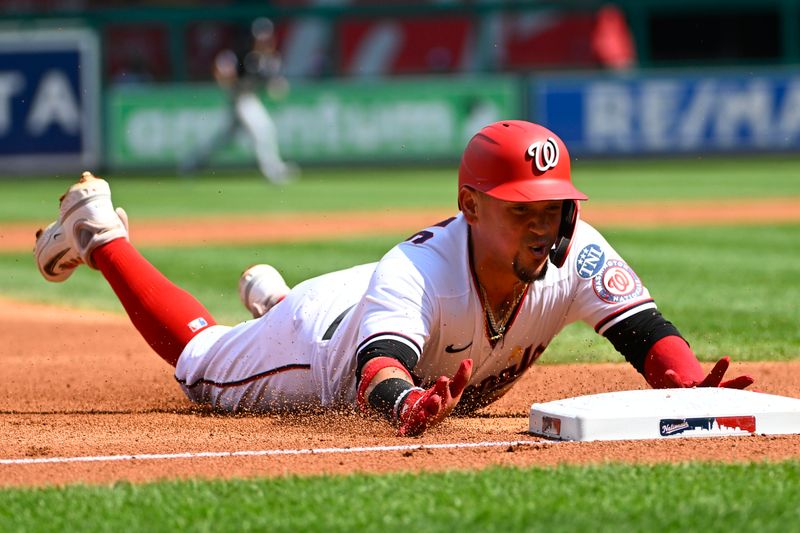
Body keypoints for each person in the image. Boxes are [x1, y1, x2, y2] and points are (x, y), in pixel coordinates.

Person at [34, 120, 753, 437]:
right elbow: (375, 369)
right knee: (198, 364)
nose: (545, 223)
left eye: (557, 205)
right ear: (469, 206)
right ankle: (100, 232)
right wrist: (405, 402)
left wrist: (689, 382)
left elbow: (648, 335)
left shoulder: (580, 254)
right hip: (320, 345)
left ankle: (274, 299)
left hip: (377, 302)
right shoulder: (419, 271)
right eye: (523, 209)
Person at [180, 17, 297, 184]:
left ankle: (192, 163)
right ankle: (273, 171)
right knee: (263, 129)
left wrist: (276, 85)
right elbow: (222, 66)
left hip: (249, 98)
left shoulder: (270, 59)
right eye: (260, 38)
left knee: (224, 138)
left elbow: (274, 83)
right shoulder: (244, 55)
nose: (264, 41)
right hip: (240, 99)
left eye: (266, 38)